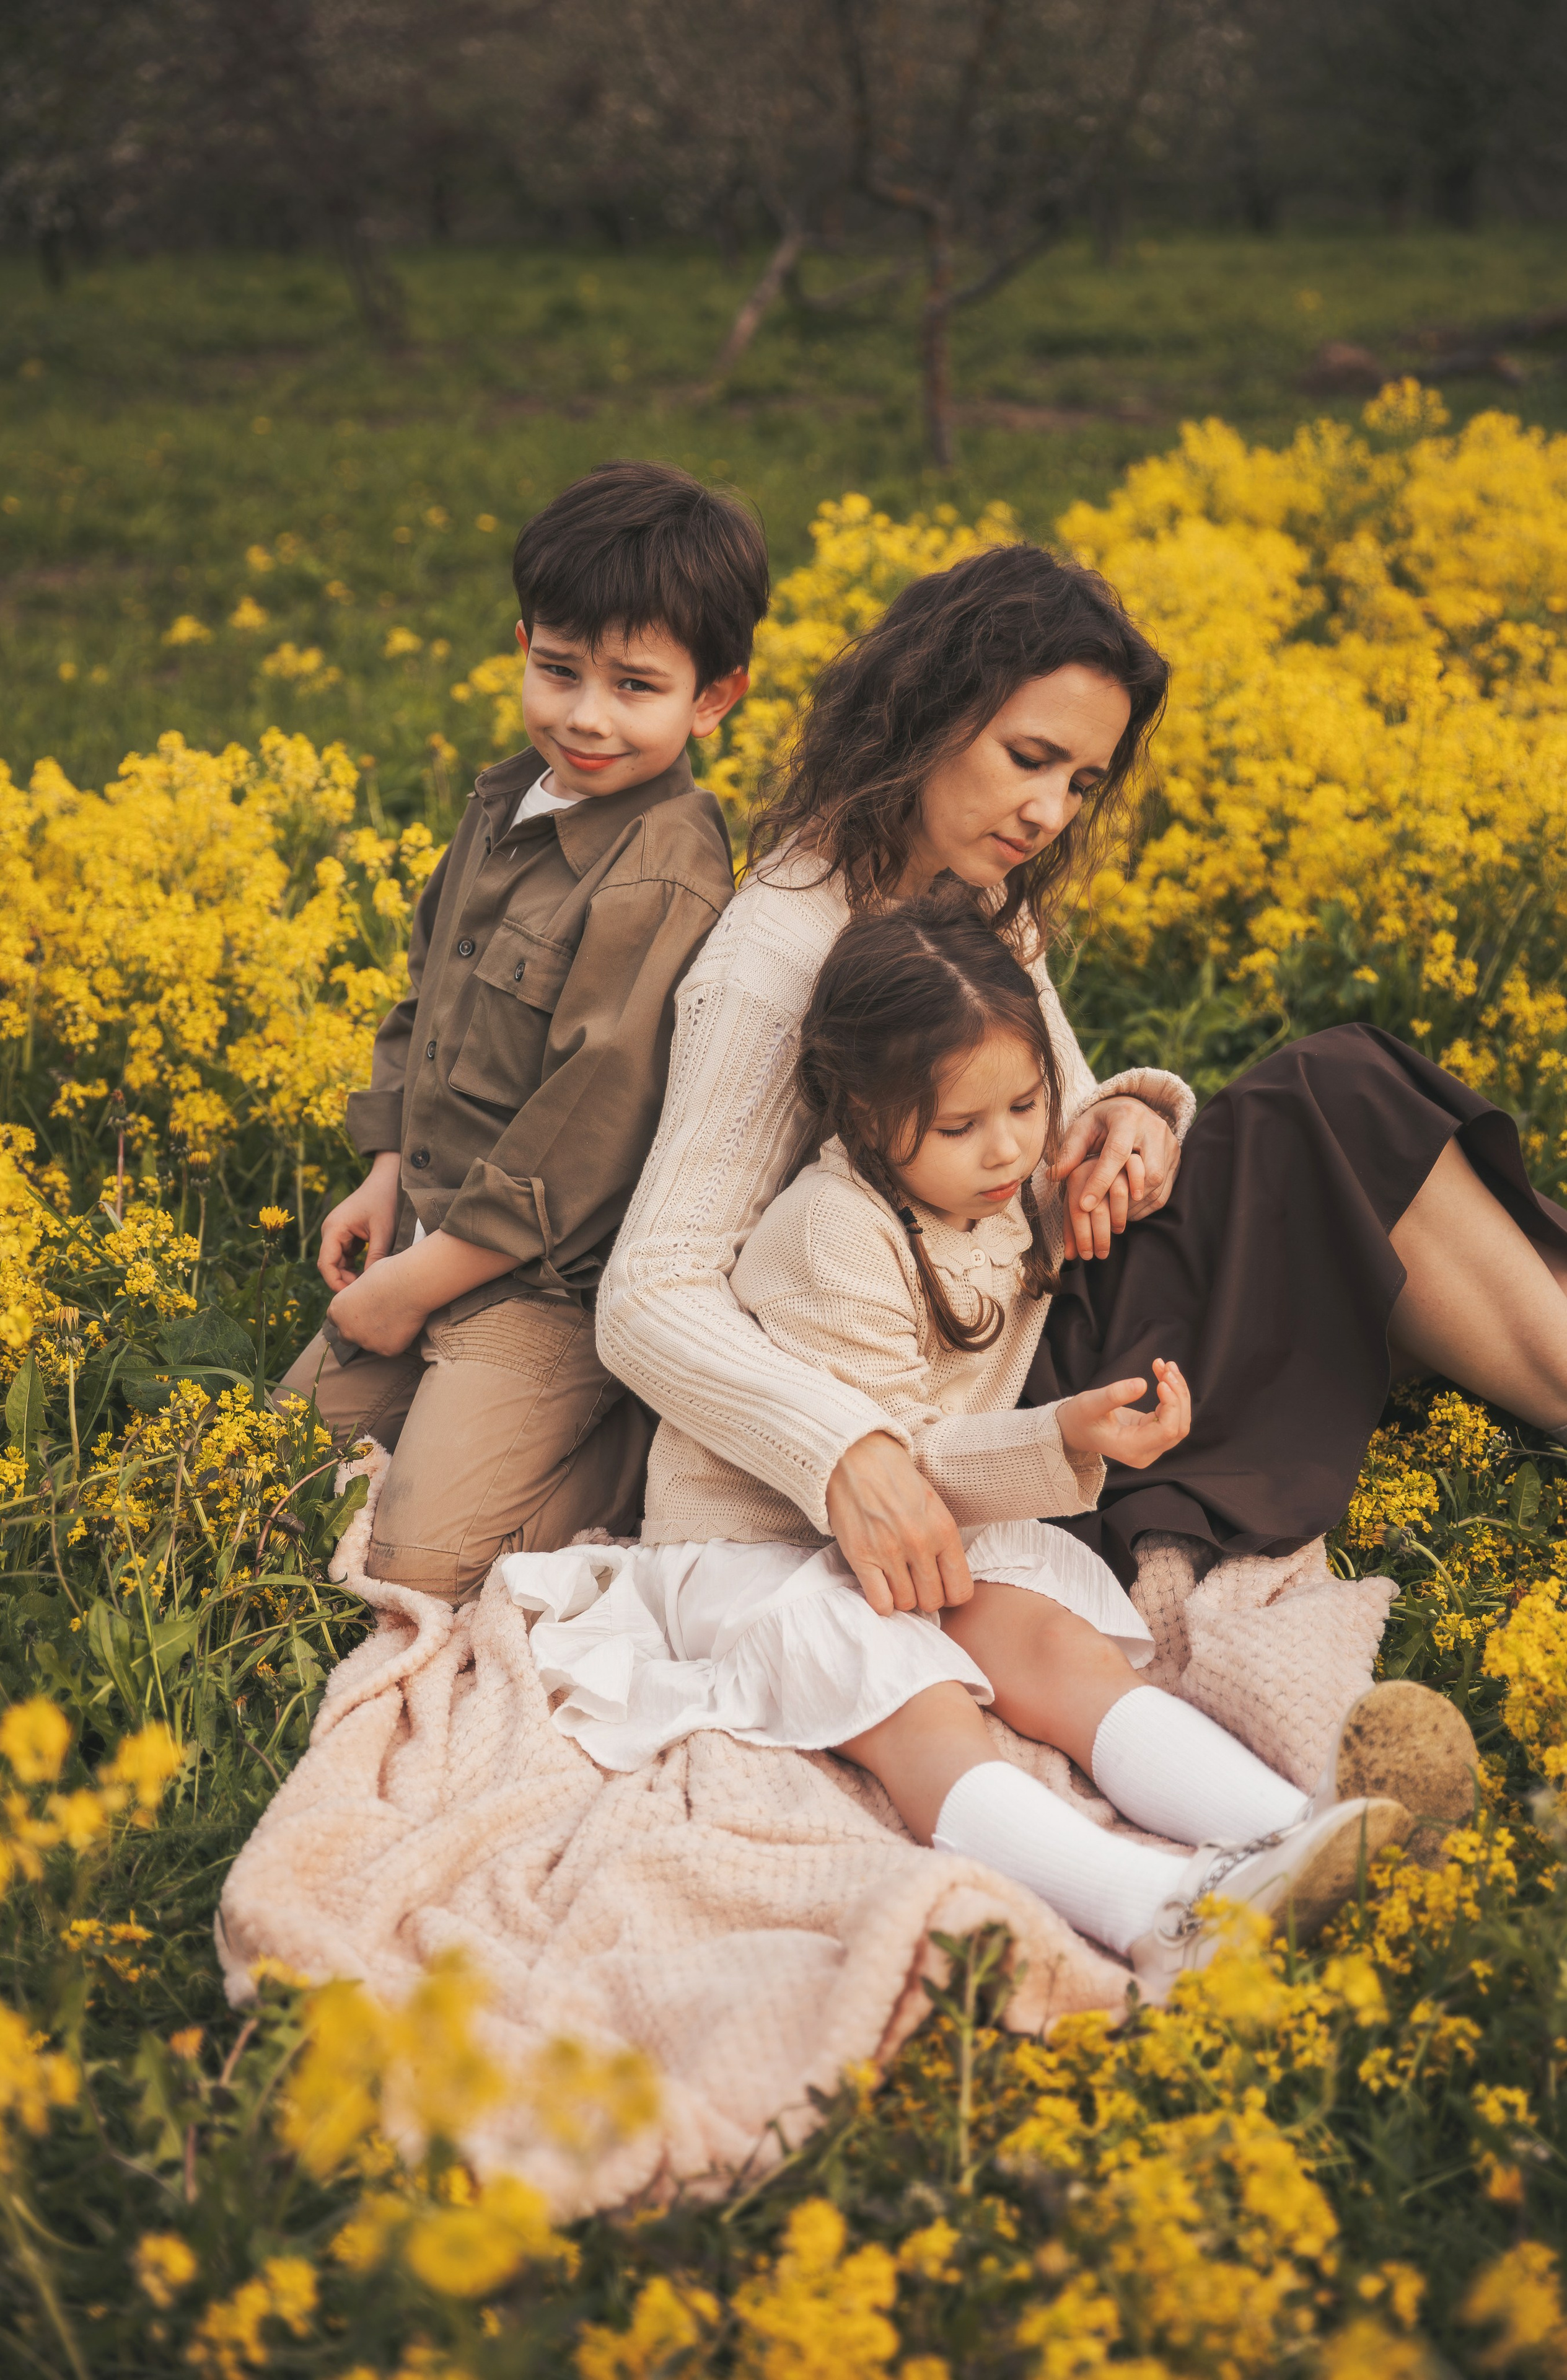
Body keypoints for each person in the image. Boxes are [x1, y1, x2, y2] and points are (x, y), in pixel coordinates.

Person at [597, 540, 1567, 1714]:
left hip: (1053, 1296)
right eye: (1029, 759)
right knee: (1336, 1097)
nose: (1048, 812)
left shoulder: (976, 896)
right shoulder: (777, 953)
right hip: (1002, 1406)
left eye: (1082, 782)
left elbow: (1040, 1115)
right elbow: (649, 1291)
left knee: (1349, 1094)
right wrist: (850, 1451)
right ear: (924, 715)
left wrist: (1128, 1123)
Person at [511, 894, 1419, 1995]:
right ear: (859, 1116)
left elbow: (1103, 1135)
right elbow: (886, 1459)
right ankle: (1154, 1911)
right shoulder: (834, 1233)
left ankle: (1294, 1832)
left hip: (929, 1524)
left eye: (1028, 1104)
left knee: (1053, 1648)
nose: (1008, 1150)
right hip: (769, 1539)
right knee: (908, 1697)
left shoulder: (1003, 1176)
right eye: (960, 1128)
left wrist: (1134, 1116)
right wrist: (1062, 1436)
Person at [278, 461, 768, 1596]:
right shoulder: (508, 802)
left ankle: (636, 1444)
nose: (586, 716)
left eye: (635, 687)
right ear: (522, 647)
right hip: (432, 1225)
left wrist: (412, 1288)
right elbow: (429, 999)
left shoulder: (661, 874)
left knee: (416, 1567)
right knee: (276, 1486)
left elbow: (585, 1133)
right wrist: (386, 1173)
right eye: (559, 671)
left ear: (714, 698)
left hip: (548, 1288)